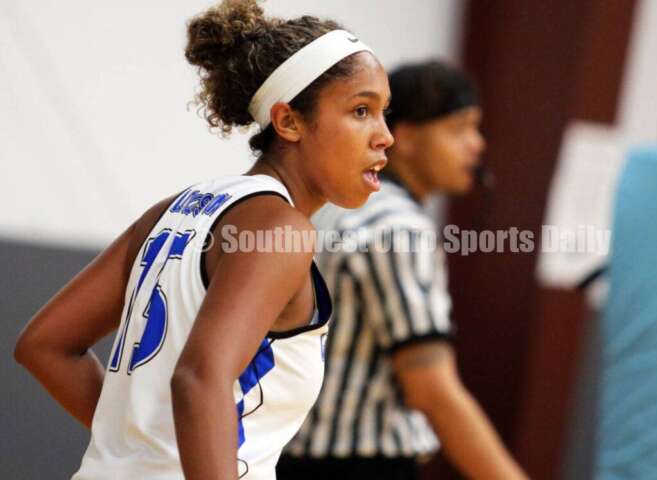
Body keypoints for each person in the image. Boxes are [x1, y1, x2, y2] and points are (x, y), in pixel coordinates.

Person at [12, 1, 393, 479]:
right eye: (361, 110)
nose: (385, 136)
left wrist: (140, 448)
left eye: (383, 112)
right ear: (288, 121)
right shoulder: (282, 231)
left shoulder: (173, 208)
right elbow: (199, 379)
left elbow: (44, 344)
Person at [277, 61, 528, 480]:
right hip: (358, 465)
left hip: (291, 454)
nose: (477, 145)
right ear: (407, 138)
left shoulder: (333, 208)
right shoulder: (398, 227)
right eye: (460, 128)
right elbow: (432, 389)